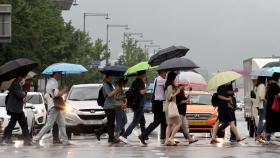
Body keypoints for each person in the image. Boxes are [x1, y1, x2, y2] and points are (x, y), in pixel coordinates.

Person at [33, 72, 70, 145]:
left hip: (55, 106)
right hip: (54, 106)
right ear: (55, 74)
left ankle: (65, 141)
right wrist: (64, 90)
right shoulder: (53, 82)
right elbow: (56, 95)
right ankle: (36, 139)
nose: (60, 75)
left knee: (61, 124)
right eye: (59, 74)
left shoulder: (50, 81)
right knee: (49, 125)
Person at [2, 71, 32, 145]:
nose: (23, 79)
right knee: (13, 124)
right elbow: (20, 95)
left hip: (17, 109)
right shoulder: (15, 84)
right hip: (15, 109)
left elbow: (19, 96)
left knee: (22, 124)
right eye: (22, 77)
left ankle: (26, 141)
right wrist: (24, 92)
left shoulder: (18, 84)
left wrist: (23, 93)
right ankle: (6, 138)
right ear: (19, 77)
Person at [138, 70, 167, 145]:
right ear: (161, 73)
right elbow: (168, 84)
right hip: (158, 103)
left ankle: (164, 137)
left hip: (160, 103)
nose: (166, 74)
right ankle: (143, 135)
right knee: (156, 122)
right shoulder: (160, 80)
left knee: (164, 121)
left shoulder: (158, 79)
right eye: (165, 72)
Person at [119, 70, 147, 144]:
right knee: (135, 122)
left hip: (135, 104)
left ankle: (144, 136)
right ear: (143, 74)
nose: (145, 75)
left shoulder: (134, 82)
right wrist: (147, 87)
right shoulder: (140, 82)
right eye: (144, 73)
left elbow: (131, 94)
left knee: (142, 121)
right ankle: (124, 136)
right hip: (139, 104)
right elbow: (141, 92)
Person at [95, 73, 121, 144]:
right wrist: (116, 90)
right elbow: (109, 94)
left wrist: (117, 90)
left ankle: (99, 132)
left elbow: (113, 95)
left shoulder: (110, 85)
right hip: (108, 106)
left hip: (112, 105)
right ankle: (111, 138)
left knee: (110, 122)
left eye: (112, 77)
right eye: (110, 77)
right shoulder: (106, 85)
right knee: (111, 123)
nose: (112, 79)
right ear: (107, 78)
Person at [164, 71, 182, 146]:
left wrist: (178, 89)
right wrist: (177, 92)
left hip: (168, 107)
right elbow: (170, 98)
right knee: (179, 123)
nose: (175, 79)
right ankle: (171, 138)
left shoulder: (170, 86)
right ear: (172, 78)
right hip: (170, 107)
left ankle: (167, 140)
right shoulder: (169, 86)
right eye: (174, 77)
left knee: (170, 124)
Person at [265, 73, 280, 142]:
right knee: (274, 121)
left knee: (270, 121)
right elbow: (276, 96)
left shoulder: (269, 86)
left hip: (269, 106)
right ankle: (267, 136)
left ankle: (267, 136)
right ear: (277, 78)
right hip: (274, 107)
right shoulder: (276, 86)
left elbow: (267, 96)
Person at [255, 76, 267, 143]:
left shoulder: (259, 86)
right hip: (262, 105)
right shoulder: (262, 86)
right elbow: (261, 97)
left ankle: (262, 134)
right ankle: (258, 136)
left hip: (259, 105)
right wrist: (266, 101)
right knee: (262, 121)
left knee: (262, 120)